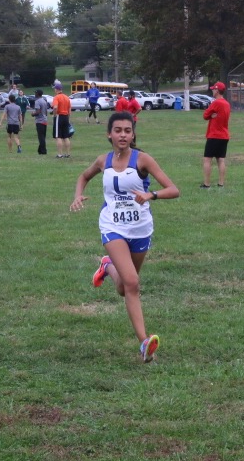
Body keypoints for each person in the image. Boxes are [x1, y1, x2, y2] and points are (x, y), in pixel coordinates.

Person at [70, 111, 180, 362]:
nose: (123, 135)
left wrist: (151, 195)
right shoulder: (103, 160)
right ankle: (144, 342)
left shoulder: (143, 160)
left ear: (133, 134)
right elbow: (84, 176)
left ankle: (107, 266)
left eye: (127, 131)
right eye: (118, 130)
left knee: (123, 287)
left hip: (141, 229)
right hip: (112, 227)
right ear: (109, 134)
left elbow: (174, 190)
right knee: (132, 283)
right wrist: (78, 195)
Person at [200, 81, 231, 188]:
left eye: (214, 89)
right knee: (221, 159)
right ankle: (221, 183)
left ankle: (207, 183)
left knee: (207, 159)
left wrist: (211, 115)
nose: (212, 90)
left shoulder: (216, 102)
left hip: (214, 135)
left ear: (217, 90)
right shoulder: (227, 103)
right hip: (224, 135)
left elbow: (205, 115)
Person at [51, 81, 72, 158]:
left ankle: (60, 154)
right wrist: (68, 118)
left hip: (59, 116)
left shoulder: (56, 97)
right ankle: (68, 153)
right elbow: (69, 109)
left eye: (54, 89)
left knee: (58, 136)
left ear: (57, 89)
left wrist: (54, 115)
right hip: (66, 116)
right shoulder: (67, 97)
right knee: (66, 136)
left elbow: (55, 107)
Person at [31, 89, 48, 155]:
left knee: (41, 137)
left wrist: (33, 114)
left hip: (39, 121)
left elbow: (38, 112)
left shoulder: (37, 101)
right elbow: (46, 112)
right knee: (43, 136)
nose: (35, 94)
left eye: (35, 93)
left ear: (38, 94)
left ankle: (43, 151)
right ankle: (40, 150)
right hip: (45, 120)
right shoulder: (44, 101)